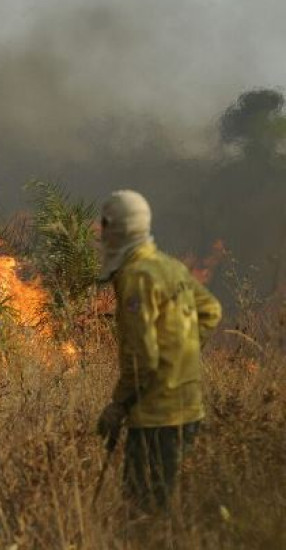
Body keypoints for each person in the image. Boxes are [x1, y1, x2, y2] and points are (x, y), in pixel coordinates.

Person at [95, 190, 222, 512]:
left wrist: (118, 406)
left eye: (106, 224)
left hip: (156, 415)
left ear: (118, 228)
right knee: (161, 502)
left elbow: (141, 359)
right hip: (188, 407)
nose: (102, 231)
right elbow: (211, 311)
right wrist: (181, 357)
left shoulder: (136, 277)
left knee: (141, 510)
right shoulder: (169, 266)